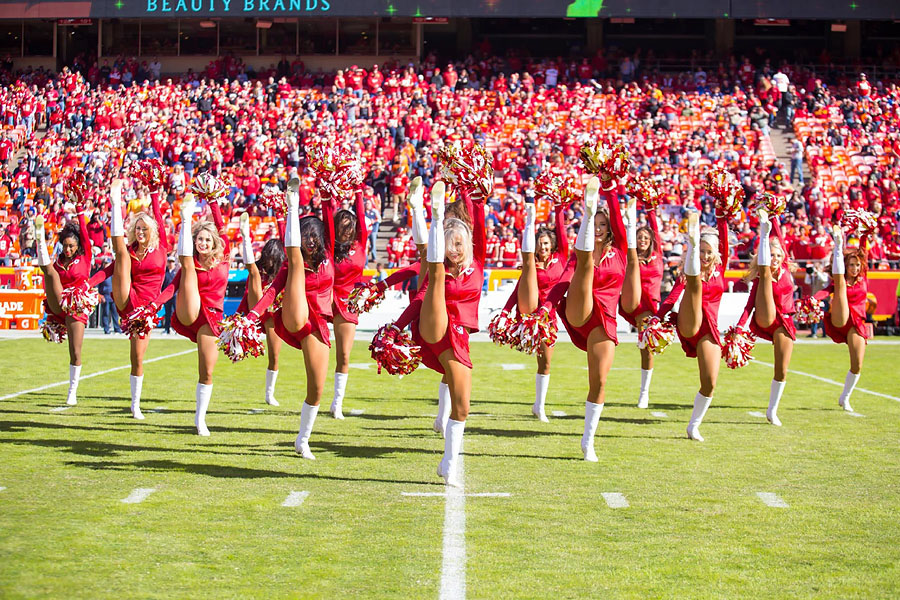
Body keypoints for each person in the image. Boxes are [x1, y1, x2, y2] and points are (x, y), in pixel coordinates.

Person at [543, 177, 637, 461]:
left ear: (609, 230)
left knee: (599, 381)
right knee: (583, 264)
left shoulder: (619, 252)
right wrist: (546, 308)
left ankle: (588, 440)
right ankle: (588, 205)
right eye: (592, 224)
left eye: (602, 225)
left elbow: (620, 223)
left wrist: (612, 188)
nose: (598, 229)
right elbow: (562, 282)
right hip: (578, 309)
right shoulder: (576, 256)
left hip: (604, 320)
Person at [245, 177, 336, 459]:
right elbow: (272, 292)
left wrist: (327, 181)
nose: (311, 240)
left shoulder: (330, 256)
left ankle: (302, 439)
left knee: (317, 388)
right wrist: (251, 316)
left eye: (314, 236)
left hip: (317, 325)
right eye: (305, 234)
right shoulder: (291, 263)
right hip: (295, 315)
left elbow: (329, 217)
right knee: (294, 261)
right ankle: (293, 204)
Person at [407, 178, 486, 486]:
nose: (455, 249)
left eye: (459, 243)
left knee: (463, 406)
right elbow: (417, 299)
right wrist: (397, 328)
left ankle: (447, 462)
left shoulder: (477, 264)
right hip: (435, 331)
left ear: (468, 245)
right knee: (435, 271)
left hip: (459, 338)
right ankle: (436, 214)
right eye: (449, 242)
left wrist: (473, 193)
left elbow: (477, 225)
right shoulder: (438, 266)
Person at [89, 177, 169, 419]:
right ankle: (115, 203)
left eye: (145, 228)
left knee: (137, 357)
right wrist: (87, 284)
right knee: (121, 253)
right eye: (137, 228)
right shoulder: (129, 252)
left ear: (152, 231)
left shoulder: (162, 248)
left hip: (146, 309)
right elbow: (108, 269)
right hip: (127, 297)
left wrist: (155, 193)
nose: (141, 232)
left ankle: (135, 404)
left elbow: (158, 217)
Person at [152, 190, 230, 436]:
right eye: (199, 240)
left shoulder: (224, 258)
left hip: (212, 318)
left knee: (206, 369)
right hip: (189, 310)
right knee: (188, 267)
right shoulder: (190, 264)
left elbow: (221, 228)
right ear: (193, 242)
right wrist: (153, 306)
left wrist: (214, 200)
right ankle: (185, 219)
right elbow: (172, 287)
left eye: (208, 240)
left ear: (214, 242)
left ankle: (200, 419)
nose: (204, 243)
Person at [657, 210, 730, 442]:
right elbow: (671, 298)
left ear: (716, 254)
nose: (706, 256)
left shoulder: (722, 268)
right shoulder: (686, 275)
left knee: (710, 382)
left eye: (709, 252)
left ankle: (693, 426)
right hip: (690, 321)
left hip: (709, 329)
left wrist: (721, 210)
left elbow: (725, 239)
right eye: (702, 252)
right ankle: (692, 236)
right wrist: (658, 318)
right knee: (693, 280)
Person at [500, 195, 569, 421]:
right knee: (528, 267)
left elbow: (563, 234)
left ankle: (539, 405)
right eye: (540, 243)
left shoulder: (561, 259)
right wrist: (505, 311)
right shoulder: (531, 265)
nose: (543, 247)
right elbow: (519, 288)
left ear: (552, 246)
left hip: (548, 316)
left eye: (546, 243)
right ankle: (529, 221)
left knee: (545, 362)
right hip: (529, 310)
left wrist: (559, 207)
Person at [737, 208, 796, 426]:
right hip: (765, 316)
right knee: (765, 278)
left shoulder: (787, 269)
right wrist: (740, 328)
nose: (776, 258)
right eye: (772, 255)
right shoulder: (762, 277)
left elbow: (780, 238)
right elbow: (749, 304)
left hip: (784, 322)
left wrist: (775, 214)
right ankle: (764, 235)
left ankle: (772, 410)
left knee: (781, 369)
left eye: (779, 255)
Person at [34, 200, 94, 406]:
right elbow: (50, 279)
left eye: (71, 246)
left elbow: (85, 233)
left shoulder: (85, 257)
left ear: (78, 246)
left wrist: (80, 210)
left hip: (76, 307)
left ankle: (72, 391)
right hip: (58, 305)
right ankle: (39, 237)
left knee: (75, 352)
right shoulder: (58, 261)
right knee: (49, 271)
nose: (67, 250)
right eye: (65, 246)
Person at [819, 221, 873, 412]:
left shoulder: (863, 276)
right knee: (840, 283)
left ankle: (845, 397)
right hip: (840, 318)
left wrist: (864, 231)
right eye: (851, 265)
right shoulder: (839, 280)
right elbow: (826, 291)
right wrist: (813, 301)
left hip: (856, 323)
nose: (855, 268)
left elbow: (863, 250)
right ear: (845, 265)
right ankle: (838, 244)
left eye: (857, 265)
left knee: (857, 364)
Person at [236, 212, 285, 407]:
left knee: (274, 355)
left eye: (273, 258)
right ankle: (245, 235)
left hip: (272, 314)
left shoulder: (282, 273)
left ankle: (269, 393)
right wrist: (246, 237)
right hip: (255, 309)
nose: (270, 261)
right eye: (268, 257)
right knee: (254, 272)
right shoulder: (258, 271)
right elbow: (251, 266)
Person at [618, 201, 664, 408]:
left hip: (650, 309)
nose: (643, 240)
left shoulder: (658, 255)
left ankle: (644, 392)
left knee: (646, 351)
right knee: (645, 348)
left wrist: (650, 206)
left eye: (646, 238)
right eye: (639, 237)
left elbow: (654, 228)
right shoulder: (631, 257)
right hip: (633, 304)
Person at [329, 191, 369, 419]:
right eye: (342, 227)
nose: (347, 231)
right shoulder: (329, 246)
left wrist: (358, 192)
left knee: (343, 355)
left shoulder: (360, 243)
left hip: (347, 303)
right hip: (324, 299)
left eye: (350, 227)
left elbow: (361, 216)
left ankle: (337, 402)